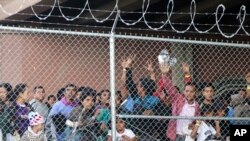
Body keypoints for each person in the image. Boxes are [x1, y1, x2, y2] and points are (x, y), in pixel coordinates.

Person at [159, 63, 200, 141]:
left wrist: (194, 125)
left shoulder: (196, 105)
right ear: (184, 92)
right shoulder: (179, 99)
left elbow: (197, 120)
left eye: (192, 92)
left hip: (188, 136)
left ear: (195, 93)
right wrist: (164, 74)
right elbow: (170, 88)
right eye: (187, 91)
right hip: (176, 135)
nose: (189, 93)